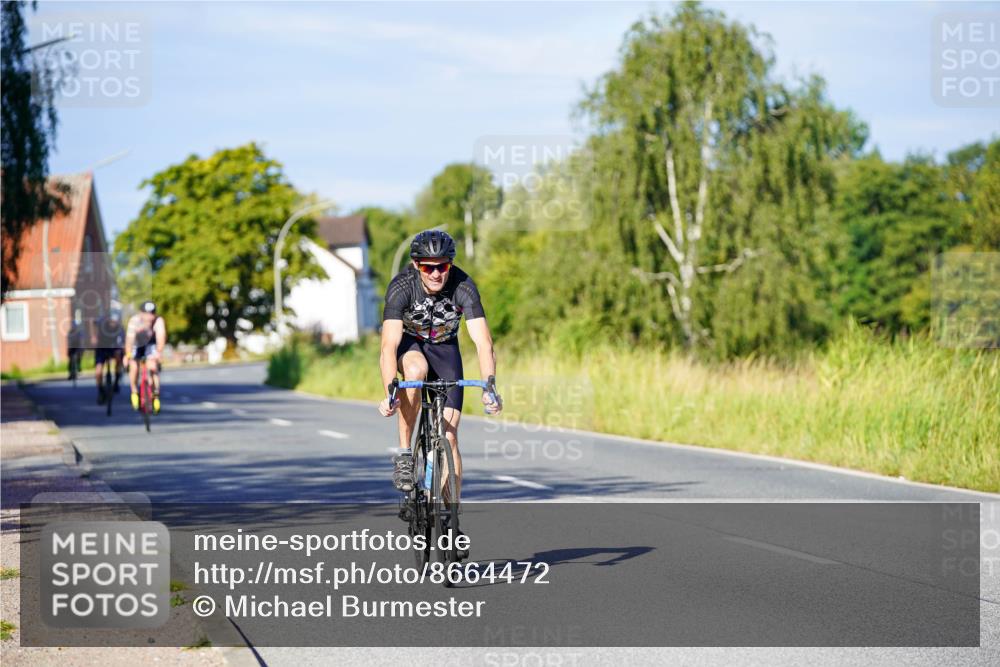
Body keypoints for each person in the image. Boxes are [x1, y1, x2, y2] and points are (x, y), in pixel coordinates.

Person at [378, 230, 502, 510]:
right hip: (410, 344)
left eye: (442, 267)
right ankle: (405, 455)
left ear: (450, 264)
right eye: (428, 268)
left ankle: (451, 517)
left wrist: (490, 387)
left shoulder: (463, 286)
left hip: (446, 349)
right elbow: (388, 346)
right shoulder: (401, 287)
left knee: (450, 436)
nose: (436, 274)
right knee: (415, 370)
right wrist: (390, 392)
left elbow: (484, 343)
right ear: (416, 265)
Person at [124, 301, 167, 413]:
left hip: (150, 345)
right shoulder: (134, 321)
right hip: (137, 344)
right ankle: (134, 391)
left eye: (152, 313)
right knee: (134, 366)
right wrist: (128, 355)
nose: (149, 317)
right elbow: (129, 340)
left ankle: (155, 395)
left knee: (153, 366)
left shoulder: (158, 321)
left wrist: (158, 353)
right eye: (146, 313)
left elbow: (161, 338)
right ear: (140, 313)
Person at [94, 309, 125, 403]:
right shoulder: (101, 324)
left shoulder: (120, 329)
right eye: (111, 322)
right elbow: (94, 324)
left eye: (115, 322)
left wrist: (120, 351)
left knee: (119, 356)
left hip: (114, 347)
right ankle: (101, 391)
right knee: (98, 371)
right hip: (102, 347)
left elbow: (122, 342)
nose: (113, 324)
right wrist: (94, 337)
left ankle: (116, 380)